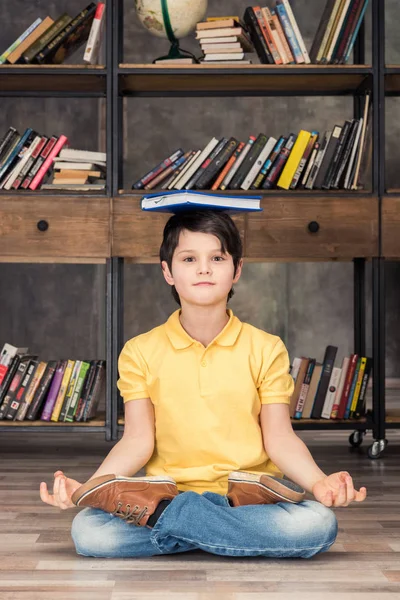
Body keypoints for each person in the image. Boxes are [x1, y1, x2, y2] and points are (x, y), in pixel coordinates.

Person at [40, 209, 367, 559]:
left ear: (237, 269)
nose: (204, 269)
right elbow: (137, 440)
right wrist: (91, 489)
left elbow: (280, 437)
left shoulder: (266, 348)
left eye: (217, 257)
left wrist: (319, 482)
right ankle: (223, 535)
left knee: (317, 523)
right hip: (167, 495)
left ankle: (178, 529)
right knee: (89, 532)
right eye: (189, 258)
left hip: (246, 500)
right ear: (167, 271)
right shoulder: (139, 351)